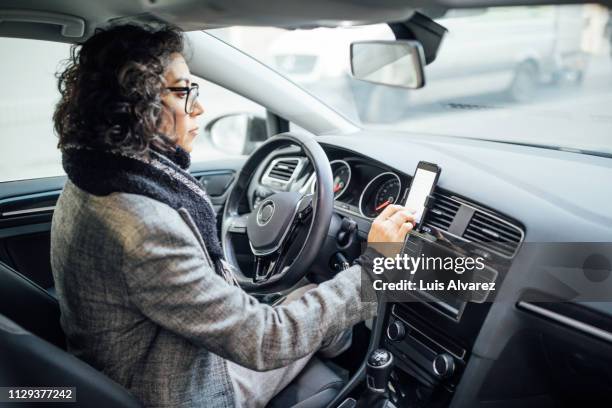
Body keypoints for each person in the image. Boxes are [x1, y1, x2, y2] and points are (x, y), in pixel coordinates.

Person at [50, 23, 416, 408]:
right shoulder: (147, 227)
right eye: (183, 91)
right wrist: (374, 270)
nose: (200, 106)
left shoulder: (87, 178)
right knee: (316, 299)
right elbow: (265, 340)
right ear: (136, 106)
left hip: (126, 368)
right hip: (179, 393)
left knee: (312, 300)